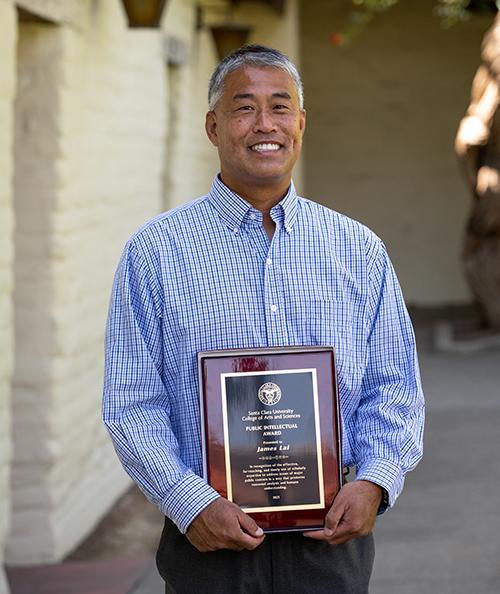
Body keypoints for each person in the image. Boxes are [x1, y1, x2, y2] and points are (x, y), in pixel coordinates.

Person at [103, 44, 424, 593]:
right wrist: (189, 502)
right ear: (213, 126)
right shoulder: (154, 253)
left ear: (300, 123)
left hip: (329, 542)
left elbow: (393, 386)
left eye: (280, 107)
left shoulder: (357, 250)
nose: (264, 125)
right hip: (206, 542)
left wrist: (375, 481)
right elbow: (132, 403)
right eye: (243, 107)